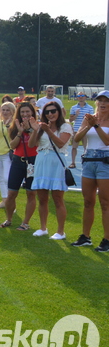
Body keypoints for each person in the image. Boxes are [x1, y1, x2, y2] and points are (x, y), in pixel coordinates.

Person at [71, 91, 109, 250]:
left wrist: (96, 125)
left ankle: (107, 240)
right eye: (100, 100)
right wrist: (88, 125)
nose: (102, 103)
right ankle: (85, 237)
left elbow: (107, 142)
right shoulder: (89, 118)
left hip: (105, 162)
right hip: (88, 161)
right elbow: (77, 138)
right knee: (88, 202)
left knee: (105, 203)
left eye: (106, 101)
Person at [28, 102, 73, 239]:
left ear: (59, 112)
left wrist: (48, 131)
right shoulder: (41, 127)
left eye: (53, 111)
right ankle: (43, 228)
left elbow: (61, 143)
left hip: (56, 162)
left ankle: (60, 231)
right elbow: (31, 145)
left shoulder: (65, 126)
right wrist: (36, 129)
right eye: (47, 112)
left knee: (58, 199)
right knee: (42, 198)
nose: (50, 114)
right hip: (41, 161)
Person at [0, 102, 39, 230]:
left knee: (30, 194)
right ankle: (9, 219)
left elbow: (35, 144)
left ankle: (25, 223)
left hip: (33, 161)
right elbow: (12, 145)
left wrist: (32, 130)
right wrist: (20, 132)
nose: (25, 114)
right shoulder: (15, 126)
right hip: (18, 161)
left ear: (32, 112)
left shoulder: (38, 126)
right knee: (11, 193)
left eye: (27, 111)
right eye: (22, 112)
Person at [0, 101, 16, 208]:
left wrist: (10, 125)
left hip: (7, 153)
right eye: (3, 110)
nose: (5, 112)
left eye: (7, 110)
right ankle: (4, 200)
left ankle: (10, 202)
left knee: (7, 178)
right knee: (1, 178)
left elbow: (14, 137)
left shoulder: (14, 124)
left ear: (12, 111)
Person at [69, 93, 94, 169]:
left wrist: (87, 118)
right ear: (77, 98)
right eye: (79, 96)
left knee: (86, 147)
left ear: (85, 97)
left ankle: (87, 162)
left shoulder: (90, 108)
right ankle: (73, 162)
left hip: (86, 130)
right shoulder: (73, 107)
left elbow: (92, 119)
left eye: (82, 96)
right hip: (76, 129)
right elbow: (70, 120)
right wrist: (76, 115)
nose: (80, 98)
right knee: (74, 147)